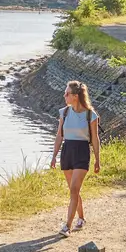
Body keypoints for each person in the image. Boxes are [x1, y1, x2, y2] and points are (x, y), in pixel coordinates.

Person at [50, 79, 100, 235]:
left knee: (73, 189)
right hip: (67, 151)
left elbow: (95, 139)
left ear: (75, 96)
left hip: (81, 152)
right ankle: (81, 218)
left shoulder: (91, 115)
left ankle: (67, 226)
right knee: (74, 191)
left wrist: (98, 160)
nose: (64, 95)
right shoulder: (63, 112)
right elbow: (59, 136)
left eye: (67, 93)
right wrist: (54, 157)